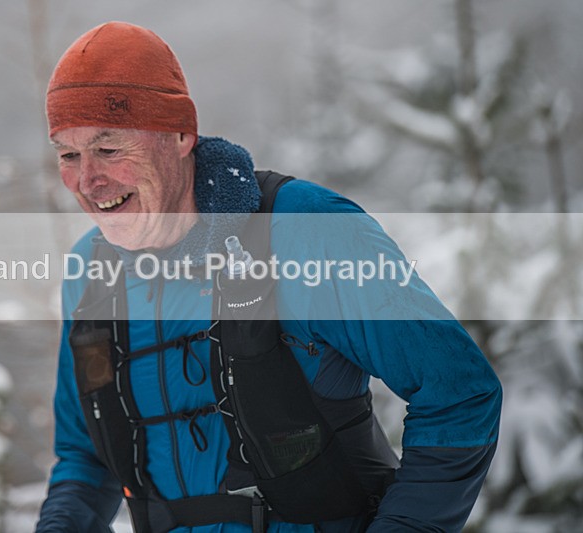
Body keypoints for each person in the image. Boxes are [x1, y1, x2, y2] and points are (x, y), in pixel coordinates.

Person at [35, 21, 502, 533]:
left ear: (180, 134)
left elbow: (458, 391)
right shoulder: (90, 276)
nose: (87, 181)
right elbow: (86, 457)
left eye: (108, 149)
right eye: (68, 155)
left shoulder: (301, 228)